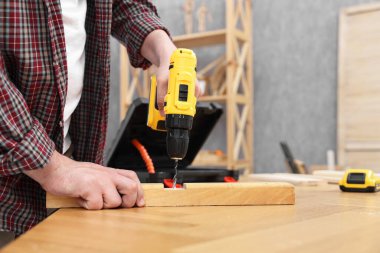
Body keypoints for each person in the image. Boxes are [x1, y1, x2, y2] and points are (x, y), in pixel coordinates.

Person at [0, 0, 201, 237]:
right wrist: (52, 168)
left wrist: (165, 50)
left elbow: (125, 5)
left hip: (68, 181)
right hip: (9, 194)